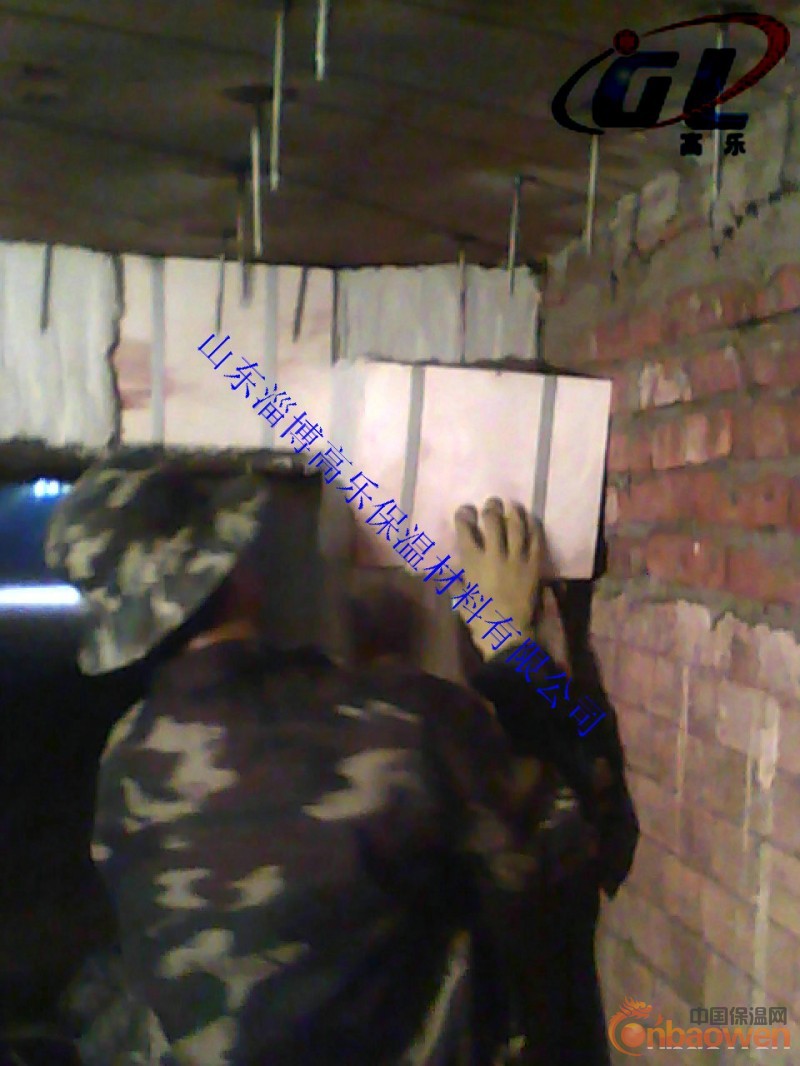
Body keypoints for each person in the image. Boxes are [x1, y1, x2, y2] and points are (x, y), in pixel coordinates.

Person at [45, 452, 609, 1065]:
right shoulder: (400, 722)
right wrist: (508, 644)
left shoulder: (126, 763)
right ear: (239, 571)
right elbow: (577, 828)